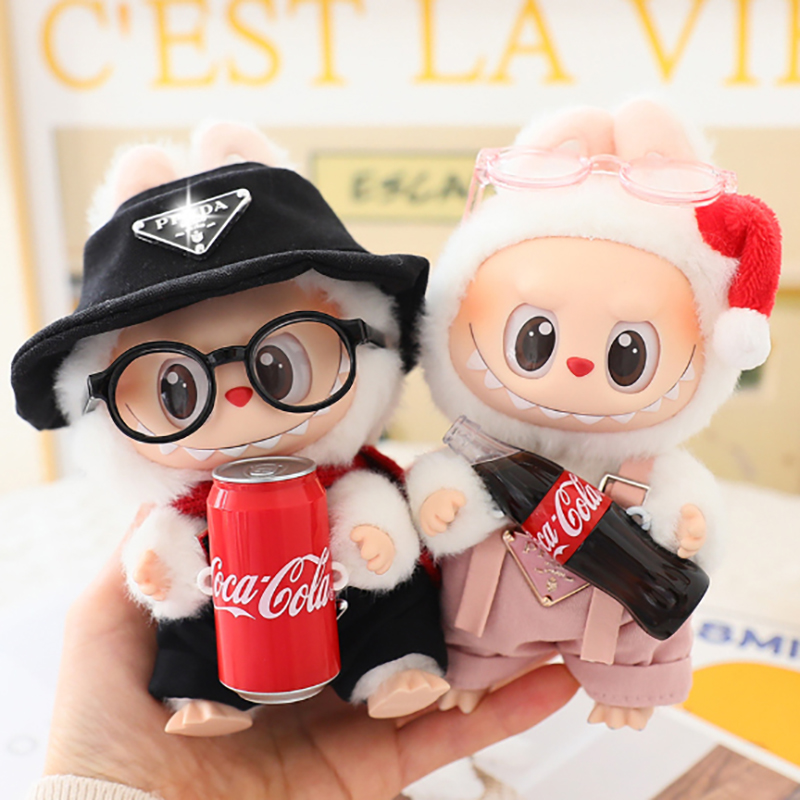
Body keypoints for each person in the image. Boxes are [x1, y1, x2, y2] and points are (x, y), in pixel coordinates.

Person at [28, 544, 579, 800]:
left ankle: (394, 673)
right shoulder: (193, 499)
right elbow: (161, 544)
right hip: (228, 597)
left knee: (394, 599)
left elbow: (378, 507)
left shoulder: (354, 471)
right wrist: (156, 563)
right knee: (190, 621)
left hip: (345, 585)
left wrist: (376, 534)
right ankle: (202, 698)